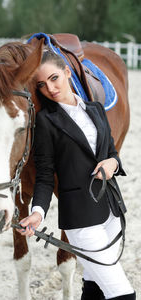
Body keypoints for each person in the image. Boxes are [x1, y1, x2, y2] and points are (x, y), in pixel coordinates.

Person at [17, 48, 136, 300]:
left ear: (67, 73)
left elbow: (113, 154)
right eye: (41, 84)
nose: (50, 88)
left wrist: (112, 165)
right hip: (81, 219)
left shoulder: (95, 109)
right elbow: (45, 175)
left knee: (94, 286)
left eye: (54, 78)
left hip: (111, 210)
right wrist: (37, 212)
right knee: (123, 293)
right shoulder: (46, 122)